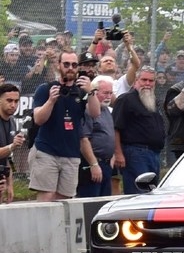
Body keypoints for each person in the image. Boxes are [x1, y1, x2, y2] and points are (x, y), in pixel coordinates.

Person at [29, 51, 102, 201]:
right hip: (47, 151)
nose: (70, 68)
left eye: (74, 65)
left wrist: (91, 92)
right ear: (58, 65)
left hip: (71, 154)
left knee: (65, 199)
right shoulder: (45, 89)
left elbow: (95, 113)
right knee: (47, 199)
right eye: (66, 64)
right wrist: (50, 101)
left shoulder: (81, 91)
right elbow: (38, 119)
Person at [112, 68, 167, 194]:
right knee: (138, 193)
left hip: (154, 154)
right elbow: (115, 128)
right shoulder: (125, 100)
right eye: (144, 80)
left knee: (151, 193)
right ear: (136, 80)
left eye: (151, 81)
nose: (147, 83)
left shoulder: (153, 101)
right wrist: (118, 154)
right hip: (136, 153)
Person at [77, 75, 117, 197]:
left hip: (106, 164)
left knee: (104, 202)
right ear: (94, 92)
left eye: (110, 93)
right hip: (92, 164)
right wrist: (94, 165)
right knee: (91, 202)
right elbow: (84, 140)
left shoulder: (107, 110)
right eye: (105, 93)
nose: (108, 97)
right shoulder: (89, 110)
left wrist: (112, 157)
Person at [0, 84, 26, 204]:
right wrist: (12, 146)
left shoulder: (12, 122)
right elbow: (9, 149)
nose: (13, 105)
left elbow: (10, 158)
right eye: (9, 100)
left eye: (16, 101)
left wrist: (10, 184)